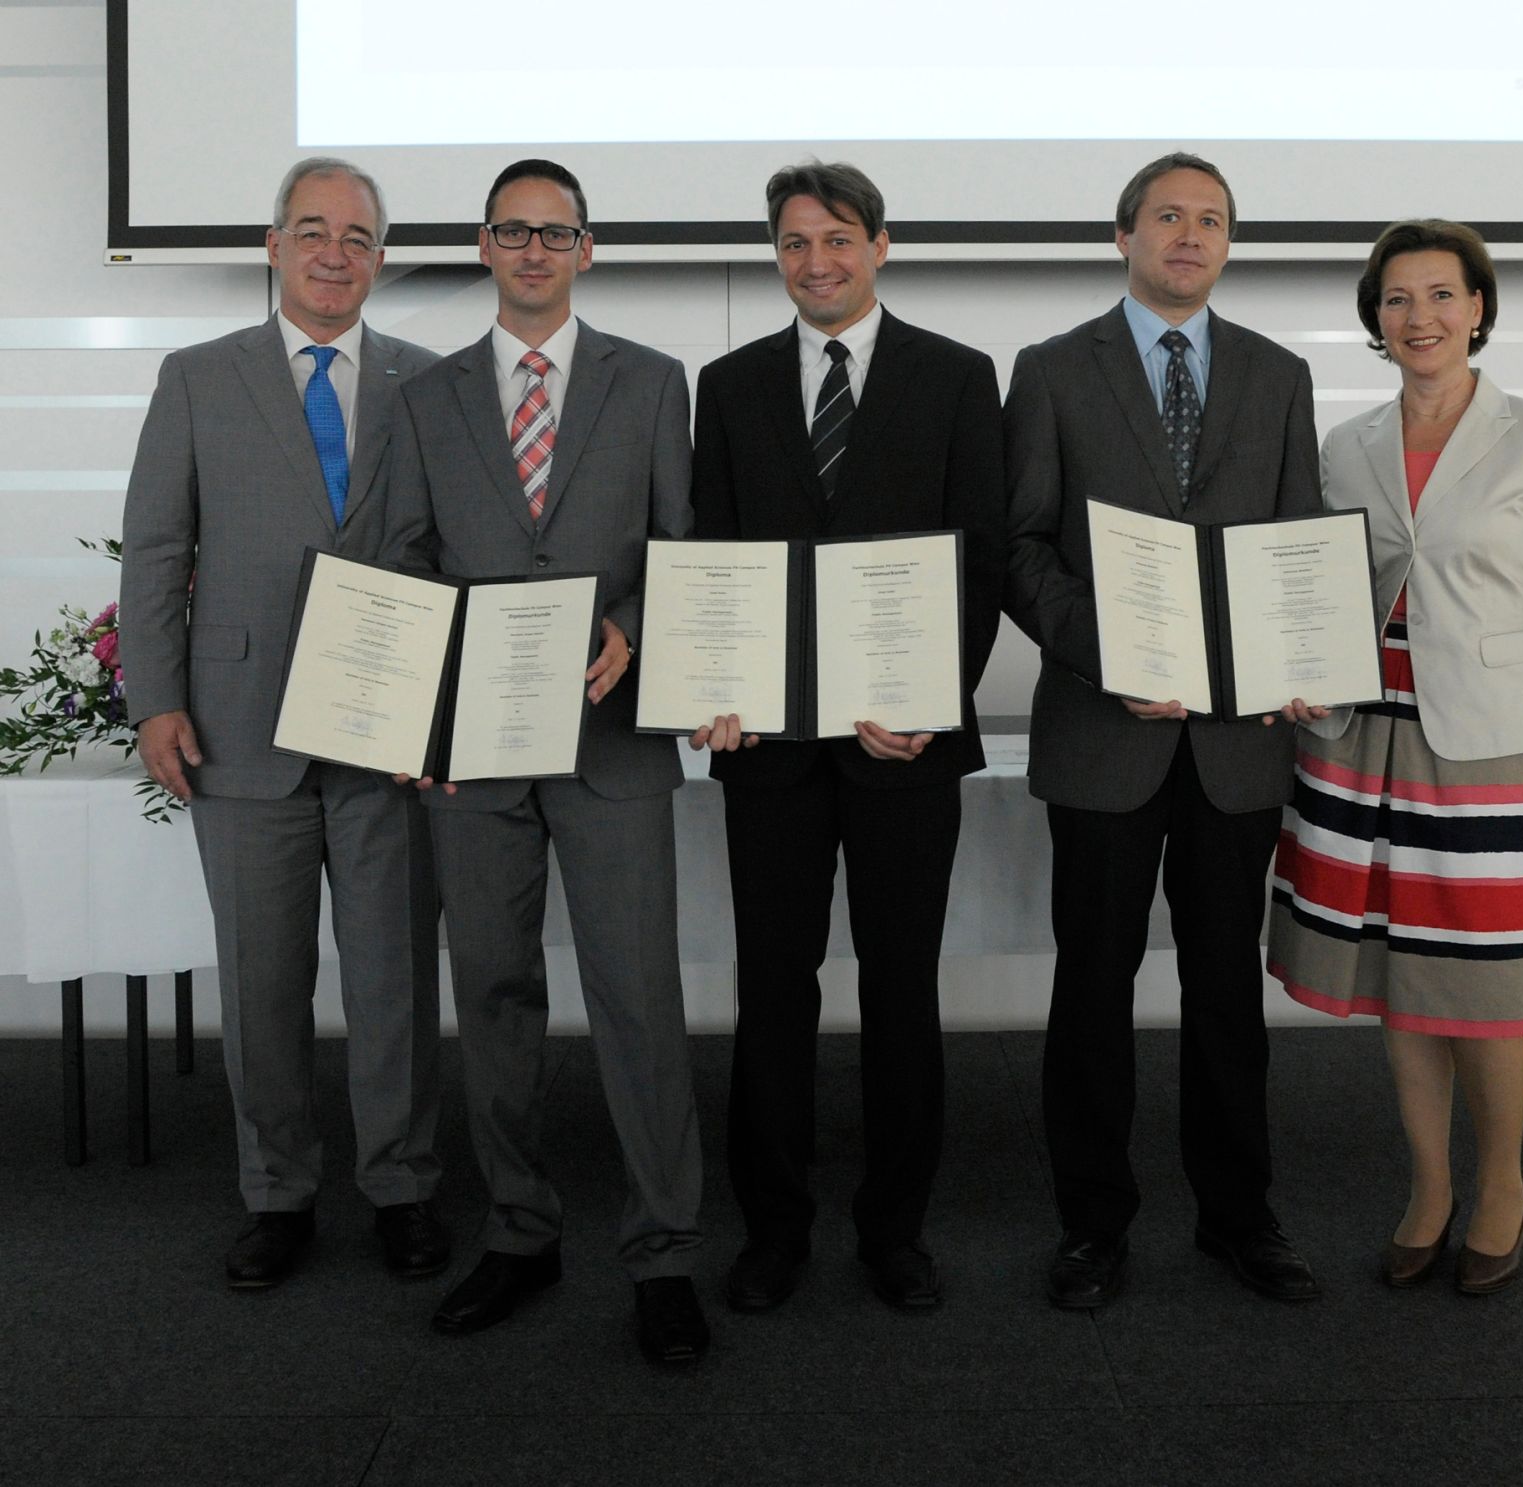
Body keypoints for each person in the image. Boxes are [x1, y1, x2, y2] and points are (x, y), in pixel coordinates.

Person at [380, 159, 708, 1362]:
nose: (532, 250)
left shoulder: (651, 381)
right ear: (482, 246)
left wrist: (632, 623)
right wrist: (421, 711)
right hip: (475, 755)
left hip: (610, 742)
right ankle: (519, 1231)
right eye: (511, 231)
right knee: (494, 997)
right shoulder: (426, 395)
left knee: (638, 1002)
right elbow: (406, 560)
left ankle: (664, 1251)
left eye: (553, 232)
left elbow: (680, 548)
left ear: (585, 248)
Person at [119, 158, 447, 1289]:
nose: (333, 254)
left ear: (380, 260)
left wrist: (443, 710)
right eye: (312, 231)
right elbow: (157, 548)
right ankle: (278, 1194)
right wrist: (155, 698)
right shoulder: (197, 377)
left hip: (387, 734)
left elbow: (450, 553)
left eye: (356, 238)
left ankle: (402, 1186)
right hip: (239, 728)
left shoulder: (427, 383)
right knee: (260, 983)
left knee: (393, 977)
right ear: (273, 246)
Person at [1004, 151, 1322, 1308]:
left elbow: (1293, 543)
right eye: (1168, 216)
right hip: (1105, 734)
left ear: (1228, 243)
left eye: (1211, 220)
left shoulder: (1277, 374)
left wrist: (1294, 654)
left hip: (1235, 745)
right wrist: (1107, 649)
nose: (1190, 235)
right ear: (1123, 234)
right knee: (1091, 986)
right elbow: (1017, 546)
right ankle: (1091, 1224)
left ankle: (1239, 1216)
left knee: (1225, 991)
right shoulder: (1050, 369)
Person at [689, 162, 1006, 1312]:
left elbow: (980, 558)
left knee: (900, 989)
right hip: (766, 749)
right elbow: (713, 553)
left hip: (903, 746)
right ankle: (773, 1229)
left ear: (878, 244)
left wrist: (933, 696)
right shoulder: (727, 385)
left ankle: (893, 1229)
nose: (814, 261)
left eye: (835, 239)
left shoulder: (957, 376)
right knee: (771, 992)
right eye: (792, 242)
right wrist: (711, 685)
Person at [1268, 219, 1523, 1294]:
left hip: (1493, 749)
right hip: (1361, 739)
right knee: (1401, 979)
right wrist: (1294, 666)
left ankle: (1500, 1186)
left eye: (1440, 294)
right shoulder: (1347, 443)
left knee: (1487, 989)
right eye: (1397, 298)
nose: (1419, 316)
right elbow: (1319, 589)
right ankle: (1428, 1187)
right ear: (1375, 318)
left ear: (1477, 307)